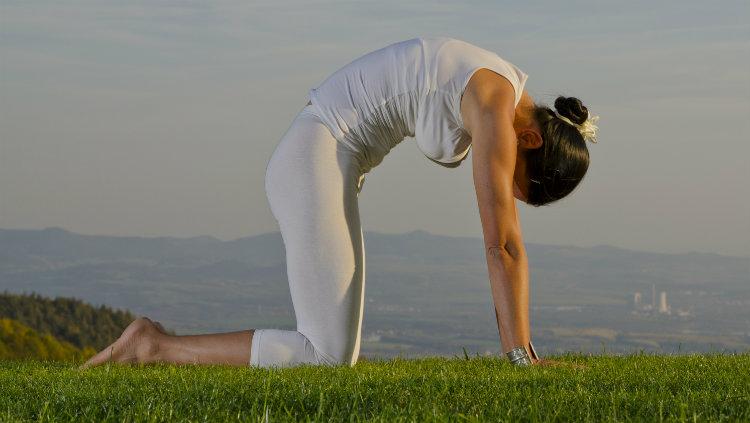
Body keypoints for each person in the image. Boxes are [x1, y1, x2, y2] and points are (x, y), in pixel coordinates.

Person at [81, 36, 598, 369]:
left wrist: (519, 350)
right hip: (316, 155)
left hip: (326, 160)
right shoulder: (495, 103)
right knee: (325, 355)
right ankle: (150, 347)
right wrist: (522, 360)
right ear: (530, 142)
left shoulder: (498, 84)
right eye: (515, 183)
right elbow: (502, 244)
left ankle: (152, 347)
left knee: (333, 353)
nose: (503, 183)